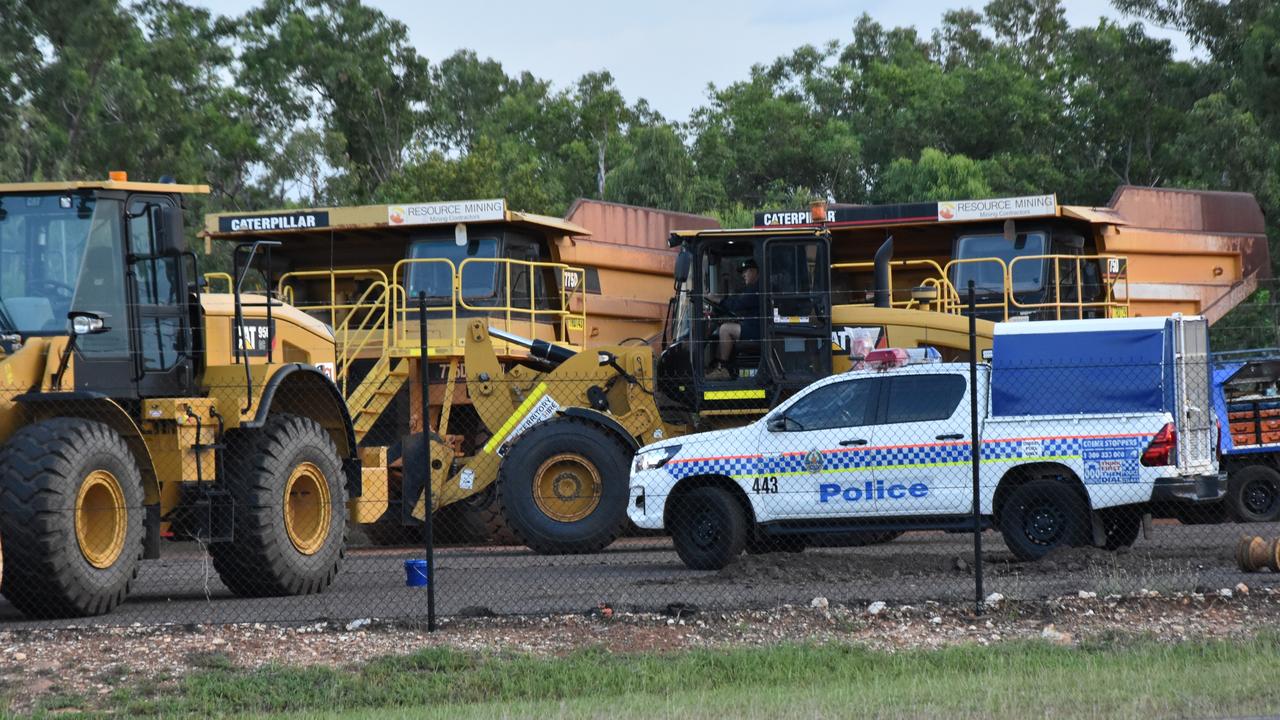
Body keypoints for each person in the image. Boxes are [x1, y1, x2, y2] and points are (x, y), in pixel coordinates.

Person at [707, 258, 760, 380]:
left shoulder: (756, 289)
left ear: (754, 271)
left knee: (725, 329)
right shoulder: (753, 288)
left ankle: (723, 369)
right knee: (724, 325)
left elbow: (737, 304)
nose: (743, 275)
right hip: (754, 326)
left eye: (745, 272)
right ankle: (717, 366)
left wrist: (716, 299)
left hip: (757, 330)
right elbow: (739, 304)